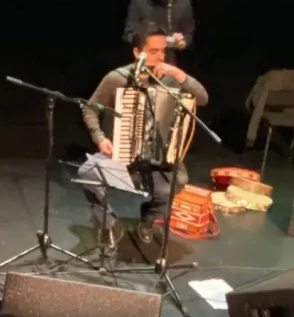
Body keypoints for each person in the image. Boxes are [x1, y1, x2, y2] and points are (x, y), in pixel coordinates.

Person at [83, 23, 209, 245]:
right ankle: (110, 221)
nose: (161, 57)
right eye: (153, 51)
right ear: (137, 52)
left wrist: (178, 73)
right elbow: (90, 109)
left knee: (178, 181)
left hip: (158, 160)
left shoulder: (169, 79)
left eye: (163, 51)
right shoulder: (117, 78)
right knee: (87, 173)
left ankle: (148, 220)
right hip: (123, 156)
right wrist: (100, 138)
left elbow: (202, 98)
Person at [123, 0, 195, 65]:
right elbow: (128, 34)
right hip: (143, 61)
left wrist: (182, 42)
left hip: (170, 63)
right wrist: (147, 40)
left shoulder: (184, 2)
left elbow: (188, 33)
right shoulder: (140, 0)